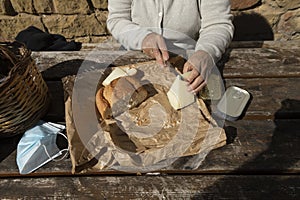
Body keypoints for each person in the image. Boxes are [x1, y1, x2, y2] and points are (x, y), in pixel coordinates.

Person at [107, 0, 234, 94]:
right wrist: (142, 38)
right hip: (134, 61)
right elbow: (117, 19)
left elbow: (217, 24)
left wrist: (206, 52)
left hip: (187, 64)